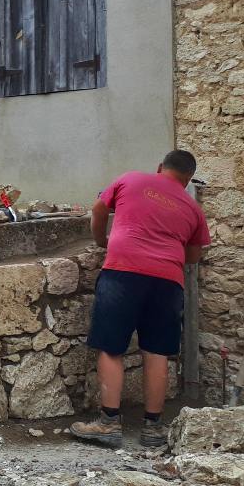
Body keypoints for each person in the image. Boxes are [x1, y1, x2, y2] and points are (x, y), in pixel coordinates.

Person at [71, 150, 210, 450]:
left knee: (111, 347)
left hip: (123, 270)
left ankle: (108, 423)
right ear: (187, 181)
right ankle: (153, 428)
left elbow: (98, 211)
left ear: (160, 167)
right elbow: (194, 256)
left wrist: (101, 242)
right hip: (168, 281)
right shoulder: (194, 209)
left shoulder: (131, 179)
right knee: (157, 352)